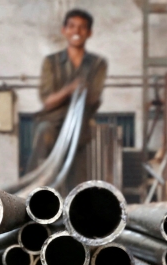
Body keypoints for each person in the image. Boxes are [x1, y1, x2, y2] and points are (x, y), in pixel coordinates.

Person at [28, 9, 108, 184]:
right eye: (71, 26)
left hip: (79, 129)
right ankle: (31, 196)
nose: (76, 32)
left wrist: (84, 92)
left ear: (89, 33)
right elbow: (47, 101)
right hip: (53, 123)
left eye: (82, 28)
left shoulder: (98, 63)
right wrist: (70, 89)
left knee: (76, 182)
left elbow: (94, 97)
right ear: (64, 30)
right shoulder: (51, 62)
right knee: (42, 171)